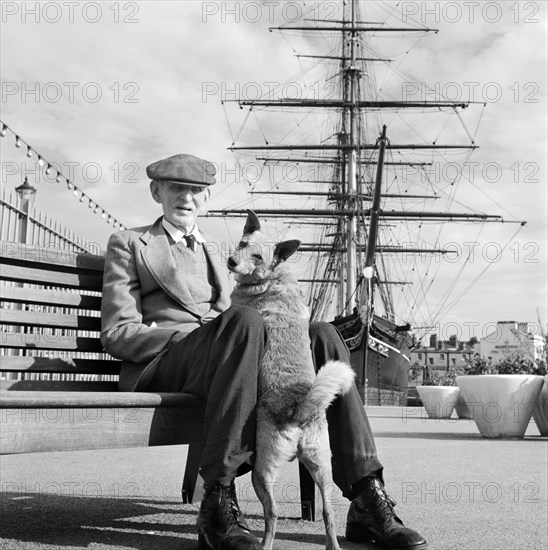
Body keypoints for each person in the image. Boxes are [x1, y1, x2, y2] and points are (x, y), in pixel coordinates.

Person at [101, 153, 428, 550]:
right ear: (157, 191)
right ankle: (217, 503)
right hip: (169, 362)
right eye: (176, 188)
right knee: (244, 321)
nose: (186, 197)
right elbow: (117, 332)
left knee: (322, 334)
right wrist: (194, 337)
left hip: (234, 356)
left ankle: (366, 495)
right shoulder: (130, 243)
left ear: (205, 199)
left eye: (196, 190)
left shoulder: (225, 256)